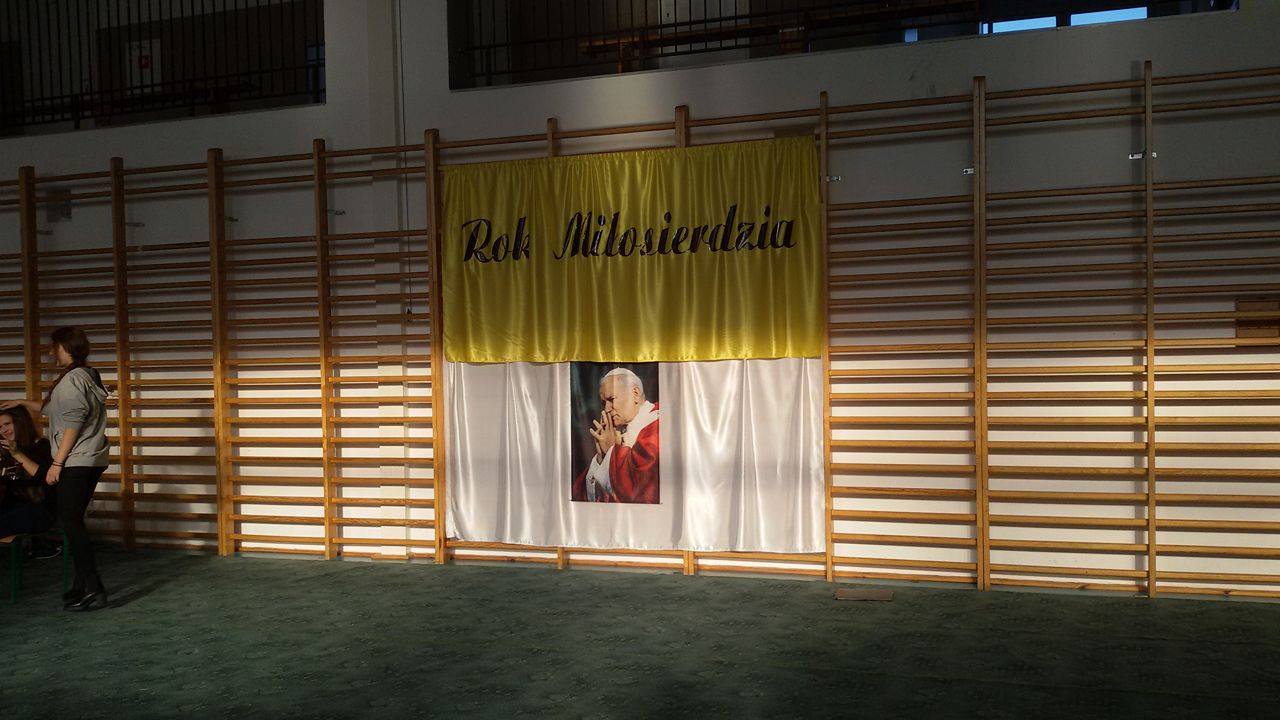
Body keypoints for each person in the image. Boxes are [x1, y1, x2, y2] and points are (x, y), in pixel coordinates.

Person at [2, 326, 111, 611]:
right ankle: (81, 584)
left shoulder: (72, 379)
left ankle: (94, 588)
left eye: (54, 347)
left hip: (76, 461)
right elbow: (54, 409)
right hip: (91, 459)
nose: (52, 352)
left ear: (65, 346)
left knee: (71, 522)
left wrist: (58, 463)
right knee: (73, 522)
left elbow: (73, 423)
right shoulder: (85, 374)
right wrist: (23, 402)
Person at [571, 368, 660, 504]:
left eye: (611, 399)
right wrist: (601, 458)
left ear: (635, 394)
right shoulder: (618, 431)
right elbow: (580, 497)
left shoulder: (657, 425)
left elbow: (639, 493)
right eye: (604, 403)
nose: (606, 409)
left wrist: (611, 450)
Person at [0, 405, 56, 540]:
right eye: (0, 427)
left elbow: (44, 477)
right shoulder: (5, 450)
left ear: (20, 422)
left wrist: (16, 454)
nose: (3, 430)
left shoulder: (42, 445)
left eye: (7, 424)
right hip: (13, 506)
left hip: (39, 509)